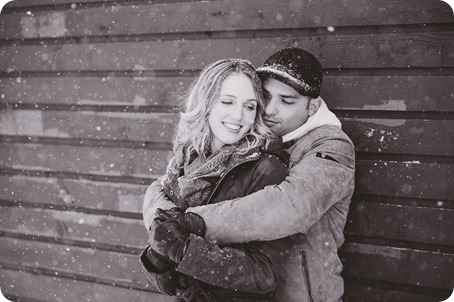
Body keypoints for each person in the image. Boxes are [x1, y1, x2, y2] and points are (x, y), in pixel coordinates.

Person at [143, 48, 356, 302]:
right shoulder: (244, 146)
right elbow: (162, 188)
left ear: (313, 107)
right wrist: (165, 229)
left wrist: (192, 224)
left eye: (286, 101)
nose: (269, 110)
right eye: (265, 96)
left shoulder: (331, 147)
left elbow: (291, 207)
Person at [140, 58, 289, 301]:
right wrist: (158, 257)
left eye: (250, 106)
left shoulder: (265, 168)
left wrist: (186, 250)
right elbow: (172, 287)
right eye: (228, 101)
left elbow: (264, 274)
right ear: (206, 102)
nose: (239, 115)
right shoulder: (185, 160)